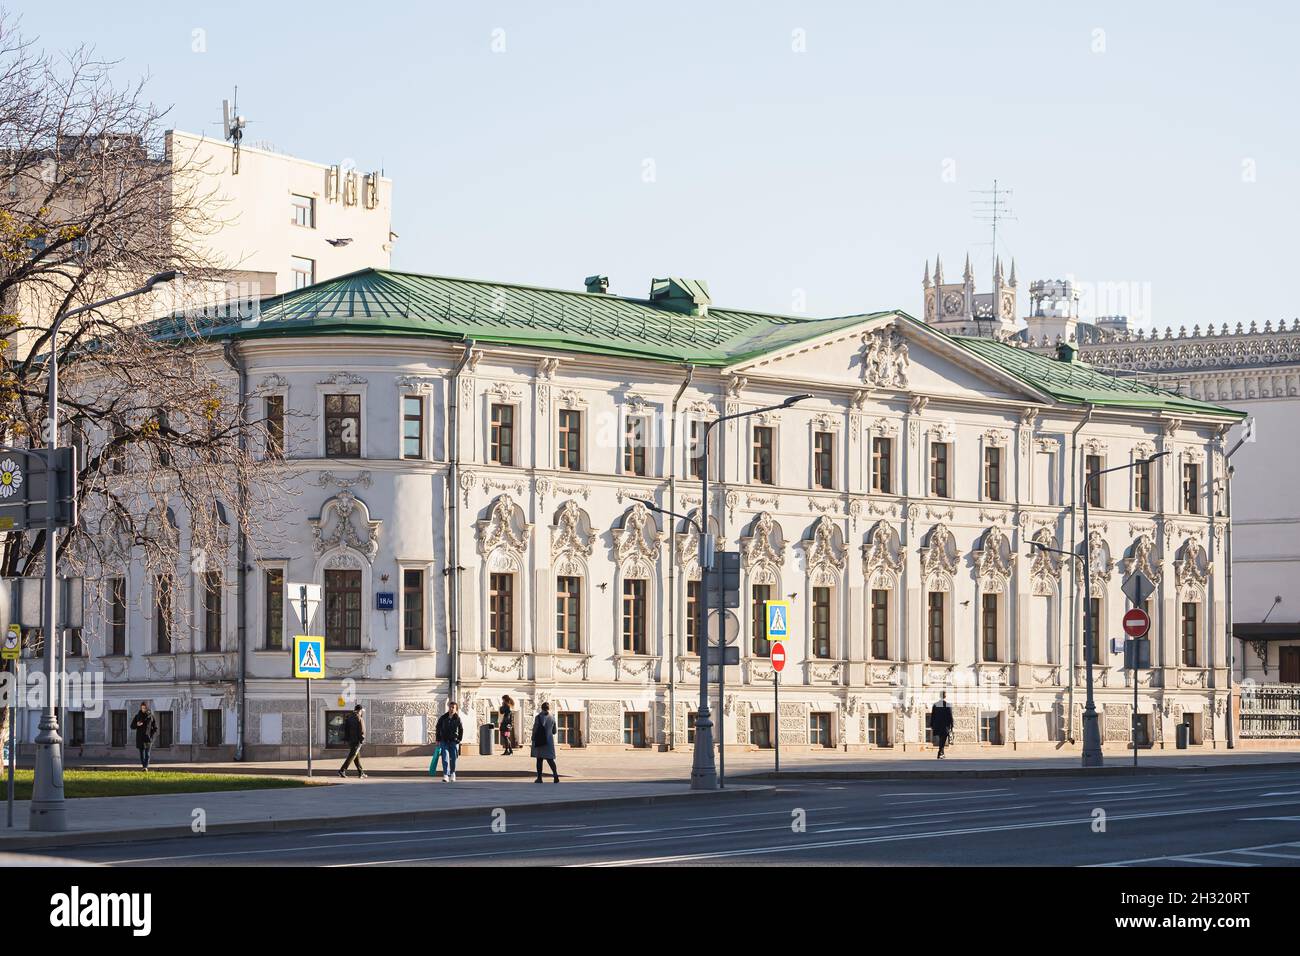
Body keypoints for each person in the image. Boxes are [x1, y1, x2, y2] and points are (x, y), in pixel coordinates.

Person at [435, 700, 464, 782]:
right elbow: (438, 728)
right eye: (450, 707)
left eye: (453, 707)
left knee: (453, 758)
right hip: (444, 741)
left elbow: (461, 729)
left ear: (456, 709)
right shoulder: (443, 718)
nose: (451, 709)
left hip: (453, 741)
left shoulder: (457, 719)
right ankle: (446, 775)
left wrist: (459, 739)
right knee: (445, 758)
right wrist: (437, 739)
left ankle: (453, 773)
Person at [531, 701, 559, 783]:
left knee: (539, 759)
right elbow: (554, 731)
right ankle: (555, 775)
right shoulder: (552, 717)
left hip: (540, 741)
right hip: (549, 741)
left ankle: (539, 778)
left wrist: (533, 738)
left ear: (541, 708)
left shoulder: (538, 717)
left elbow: (535, 728)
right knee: (550, 759)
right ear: (549, 708)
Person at [338, 704, 368, 778]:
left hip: (350, 740)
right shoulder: (359, 718)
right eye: (362, 711)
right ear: (360, 710)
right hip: (357, 740)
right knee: (352, 756)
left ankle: (361, 772)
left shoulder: (350, 717)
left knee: (355, 756)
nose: (362, 712)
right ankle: (342, 770)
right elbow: (362, 731)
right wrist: (362, 740)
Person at [130, 702, 158, 771]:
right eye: (142, 708)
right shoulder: (137, 716)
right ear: (141, 708)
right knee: (142, 755)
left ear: (147, 708)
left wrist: (151, 736)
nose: (143, 709)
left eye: (144, 708)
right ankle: (144, 766)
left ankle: (146, 767)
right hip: (140, 738)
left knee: (147, 754)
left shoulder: (151, 716)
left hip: (148, 738)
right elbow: (132, 726)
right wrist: (137, 724)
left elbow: (155, 728)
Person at [930, 692, 954, 759]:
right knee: (943, 739)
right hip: (945, 725)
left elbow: (933, 715)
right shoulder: (948, 705)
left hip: (937, 725)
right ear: (945, 696)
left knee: (941, 739)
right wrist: (952, 725)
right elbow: (950, 716)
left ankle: (941, 753)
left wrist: (932, 724)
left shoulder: (935, 705)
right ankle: (940, 752)